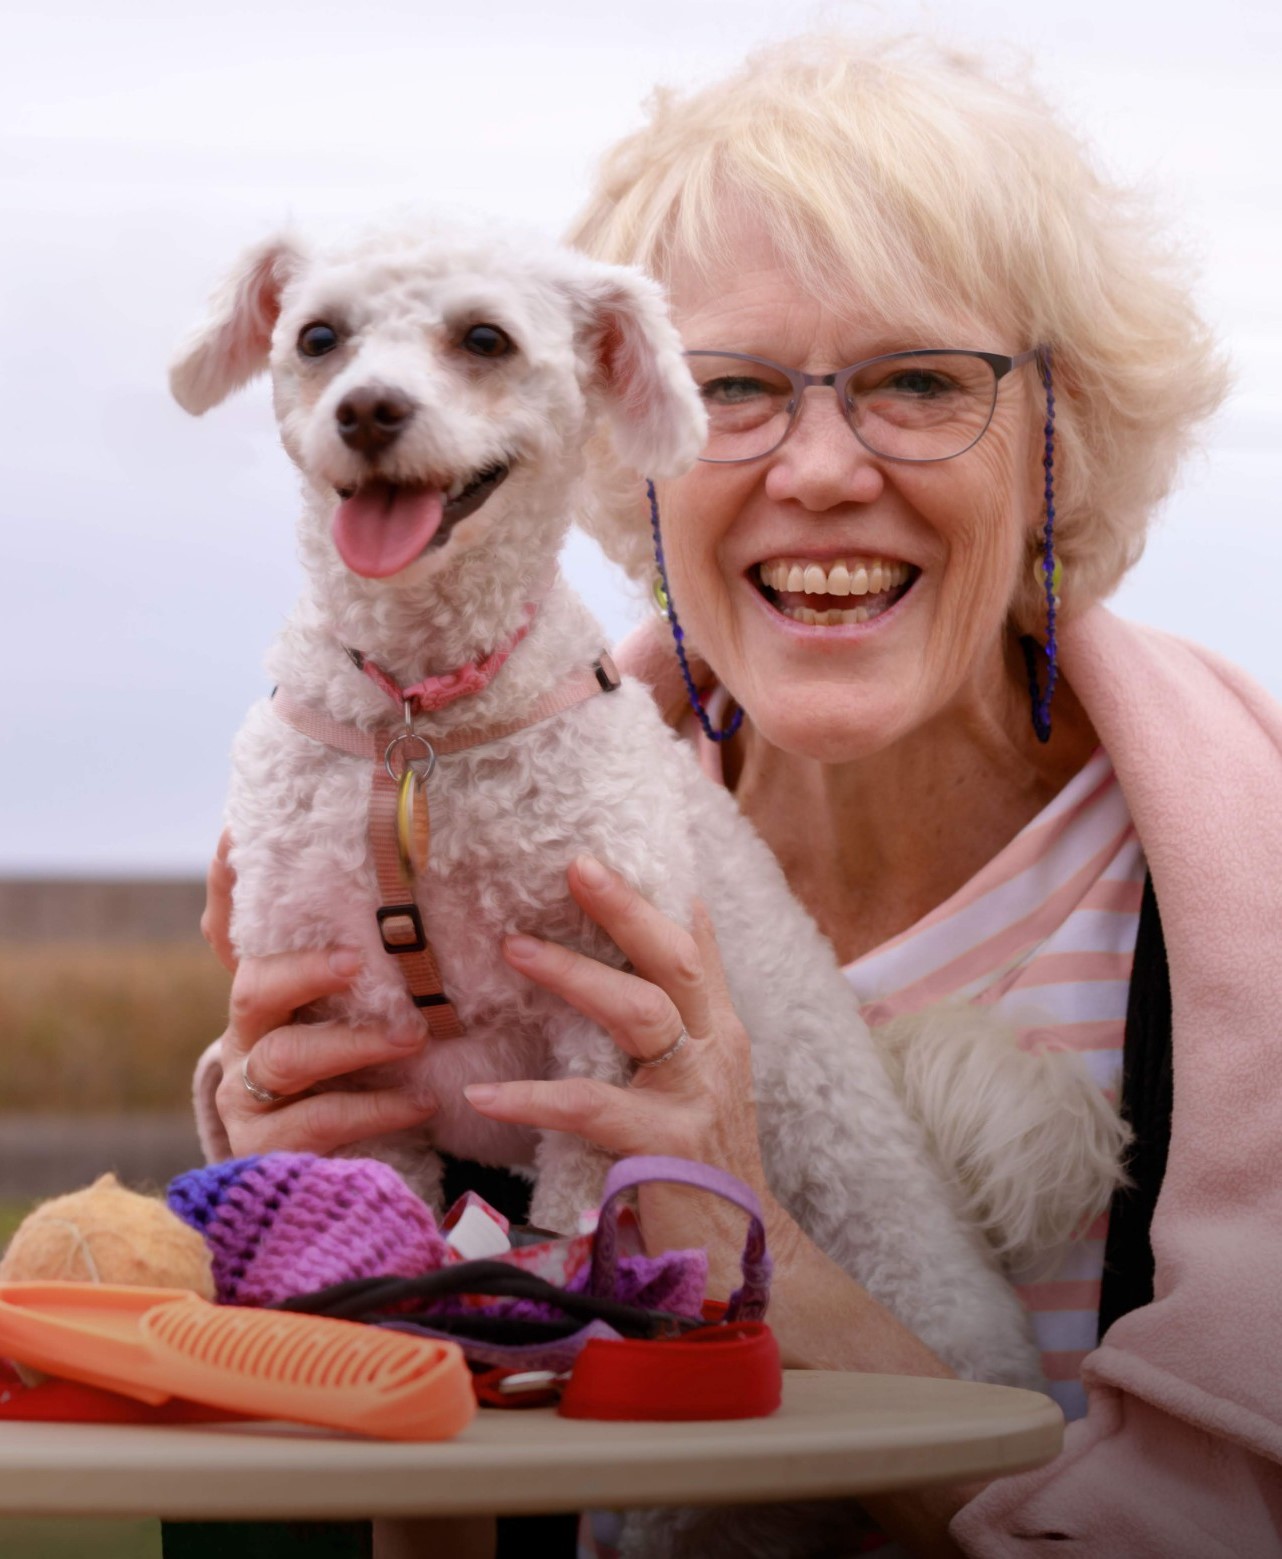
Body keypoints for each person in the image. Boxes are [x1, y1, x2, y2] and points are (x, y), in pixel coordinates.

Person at [199, 35, 1282, 1557]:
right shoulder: (432, 850)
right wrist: (324, 1248)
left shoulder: (1237, 899)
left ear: (1066, 432)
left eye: (921, 381)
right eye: (734, 389)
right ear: (624, 422)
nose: (820, 471)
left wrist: (741, 1243)